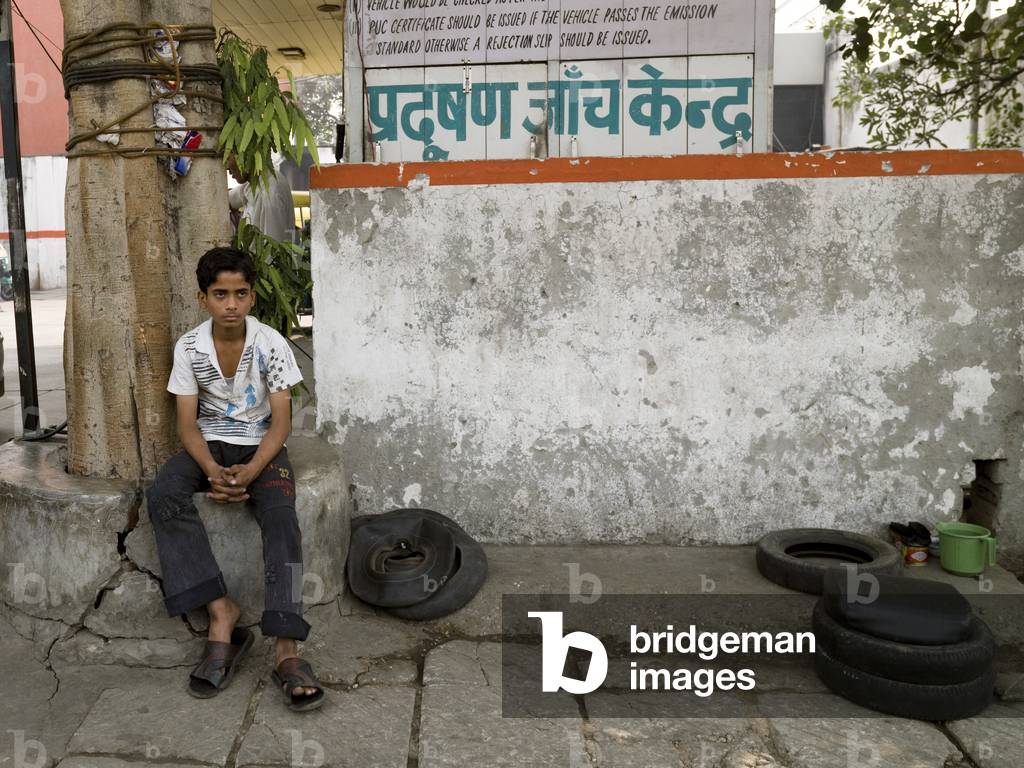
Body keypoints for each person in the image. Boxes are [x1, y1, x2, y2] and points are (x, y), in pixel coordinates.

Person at [145, 246, 323, 711]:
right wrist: (210, 470)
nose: (231, 304)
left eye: (240, 294)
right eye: (220, 294)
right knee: (163, 493)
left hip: (262, 447)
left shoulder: (271, 345)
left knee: (282, 516)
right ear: (203, 297)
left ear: (250, 297)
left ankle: (287, 649)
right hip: (210, 444)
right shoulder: (189, 347)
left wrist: (251, 470)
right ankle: (221, 613)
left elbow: (281, 422)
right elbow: (187, 424)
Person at [226, 153, 295, 243]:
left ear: (243, 154)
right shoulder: (255, 183)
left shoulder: (269, 193)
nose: (227, 168)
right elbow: (228, 199)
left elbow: (272, 250)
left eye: (227, 158)